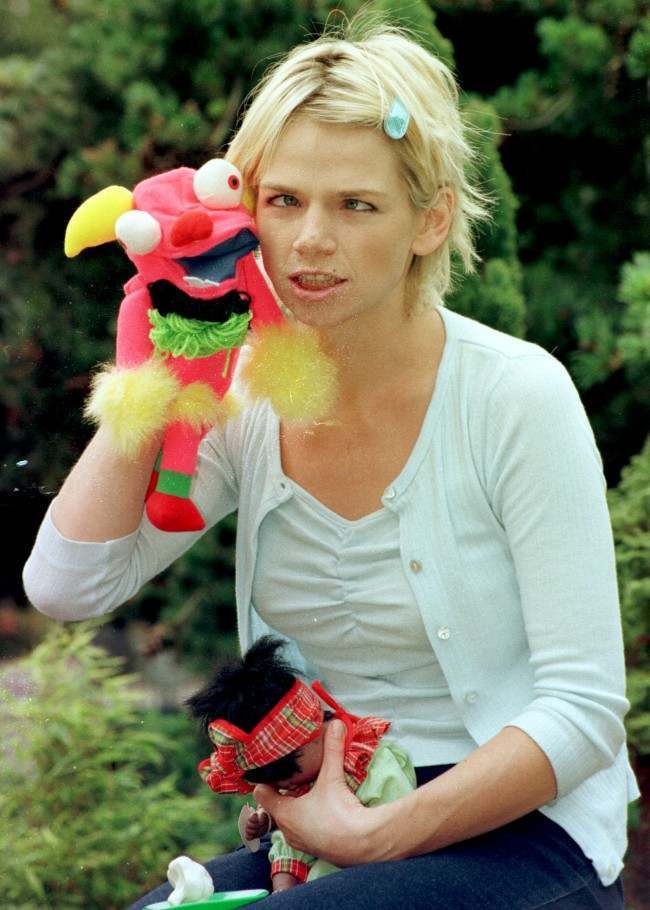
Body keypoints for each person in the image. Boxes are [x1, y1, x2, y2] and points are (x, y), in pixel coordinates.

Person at [23, 11, 639, 910]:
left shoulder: (516, 398)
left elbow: (584, 711)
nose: (311, 239)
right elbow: (68, 588)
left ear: (428, 221)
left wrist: (375, 834)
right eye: (284, 201)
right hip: (328, 842)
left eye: (356, 205)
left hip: (525, 840)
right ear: (241, 211)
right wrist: (153, 382)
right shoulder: (241, 408)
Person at [186, 634, 416, 894]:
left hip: (365, 862)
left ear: (312, 732)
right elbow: (288, 825)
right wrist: (266, 820)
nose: (282, 785)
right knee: (283, 851)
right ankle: (281, 895)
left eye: (284, 773)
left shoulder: (369, 762)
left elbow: (399, 826)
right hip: (304, 845)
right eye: (269, 780)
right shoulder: (301, 777)